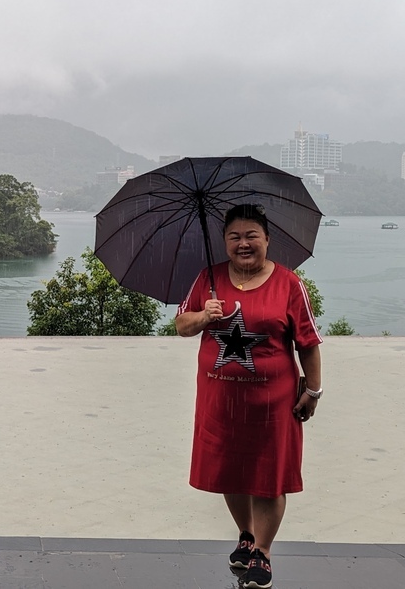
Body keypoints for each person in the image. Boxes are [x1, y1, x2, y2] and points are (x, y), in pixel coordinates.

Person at [175, 203, 323, 589]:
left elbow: (308, 342)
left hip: (274, 403)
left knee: (269, 477)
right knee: (229, 470)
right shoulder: (207, 279)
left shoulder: (289, 284)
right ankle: (246, 533)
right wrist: (204, 316)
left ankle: (264, 552)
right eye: (235, 237)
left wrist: (314, 390)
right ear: (224, 241)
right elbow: (181, 326)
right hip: (219, 400)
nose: (243, 243)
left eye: (251, 236)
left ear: (267, 240)